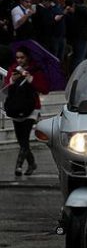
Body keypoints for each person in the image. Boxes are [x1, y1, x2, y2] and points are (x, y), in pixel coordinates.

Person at [4, 46, 49, 176]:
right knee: (21, 139)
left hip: (32, 107)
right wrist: (12, 80)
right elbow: (6, 89)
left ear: (27, 57)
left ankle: (18, 166)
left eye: (22, 57)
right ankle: (32, 163)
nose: (19, 60)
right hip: (16, 107)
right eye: (17, 57)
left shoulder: (36, 70)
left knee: (24, 138)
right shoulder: (13, 69)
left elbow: (44, 89)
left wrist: (30, 79)